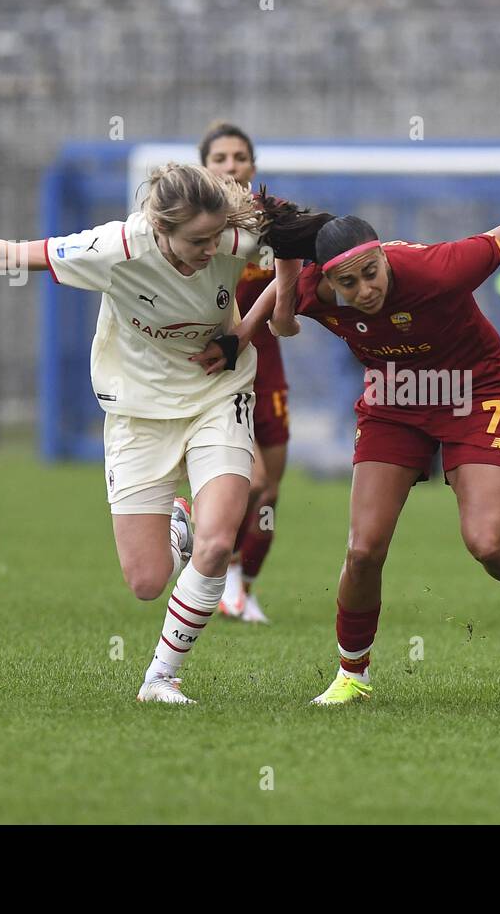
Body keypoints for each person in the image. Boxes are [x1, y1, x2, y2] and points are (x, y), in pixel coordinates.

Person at [0, 162, 306, 705]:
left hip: (218, 395)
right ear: (160, 231)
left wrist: (251, 331)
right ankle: (179, 525)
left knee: (220, 539)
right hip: (137, 411)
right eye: (197, 240)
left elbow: (299, 246)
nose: (210, 250)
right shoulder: (112, 249)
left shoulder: (233, 235)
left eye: (215, 237)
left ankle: (160, 679)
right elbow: (6, 254)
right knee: (148, 582)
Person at [265, 209, 500, 704]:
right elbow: (274, 301)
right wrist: (247, 330)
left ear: (384, 254)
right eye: (348, 283)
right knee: (362, 550)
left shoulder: (440, 269)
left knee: (487, 543)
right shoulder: (317, 289)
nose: (363, 291)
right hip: (393, 402)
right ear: (329, 280)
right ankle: (352, 676)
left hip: (474, 392)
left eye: (371, 273)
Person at [200, 122, 287, 623]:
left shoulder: (271, 224)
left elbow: (292, 278)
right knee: (249, 482)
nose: (231, 165)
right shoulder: (193, 225)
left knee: (270, 490)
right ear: (204, 166)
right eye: (220, 158)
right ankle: (215, 563)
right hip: (219, 371)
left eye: (240, 157)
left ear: (253, 166)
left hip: (269, 373)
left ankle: (241, 587)